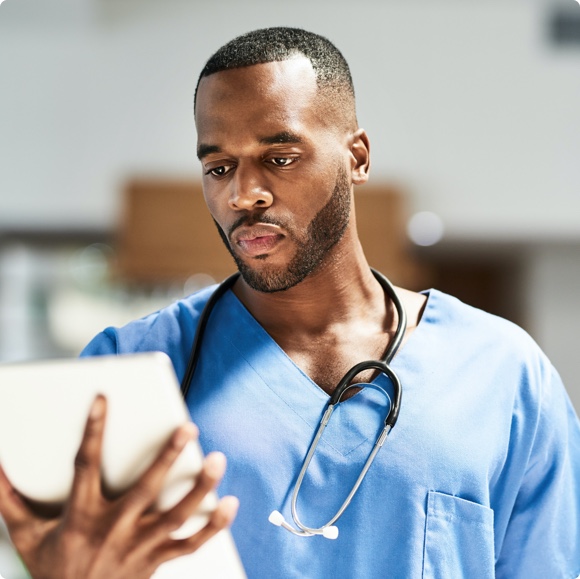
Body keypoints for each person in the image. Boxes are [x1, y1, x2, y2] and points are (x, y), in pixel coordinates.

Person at [1, 26, 580, 579]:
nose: (242, 193)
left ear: (357, 157)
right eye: (218, 166)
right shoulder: (128, 369)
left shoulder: (503, 375)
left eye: (278, 158)